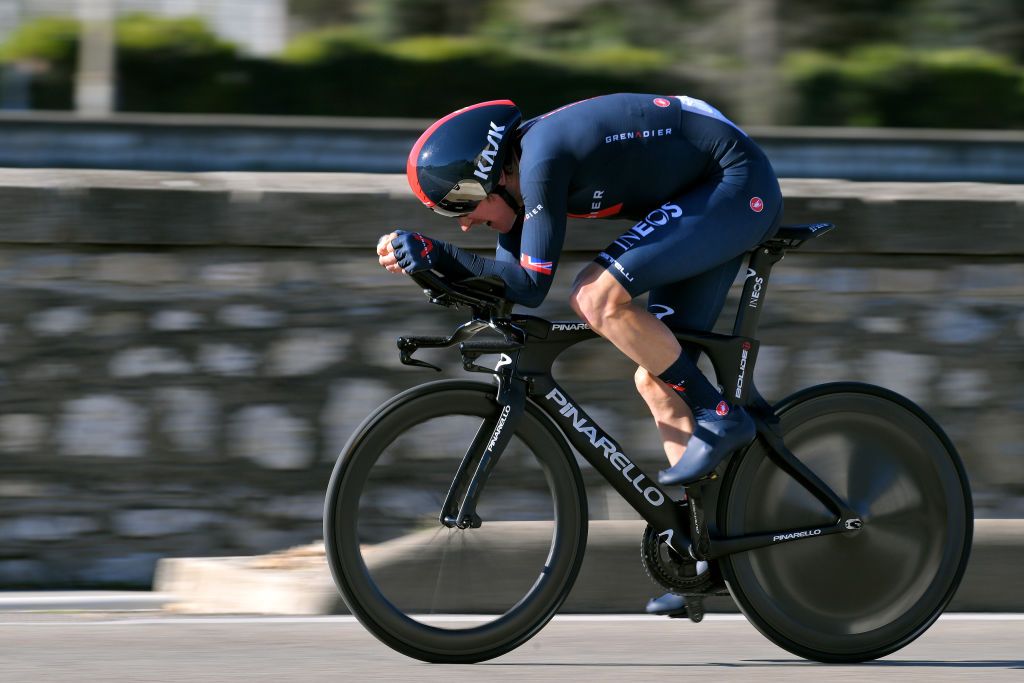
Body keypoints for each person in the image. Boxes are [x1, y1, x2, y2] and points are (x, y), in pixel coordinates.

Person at [377, 94, 783, 618]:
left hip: (734, 185)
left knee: (595, 296)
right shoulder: (518, 186)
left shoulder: (542, 161)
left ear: (491, 174)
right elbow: (510, 293)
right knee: (656, 379)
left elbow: (531, 282)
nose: (461, 223)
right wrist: (430, 269)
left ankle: (719, 413)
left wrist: (435, 250)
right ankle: (704, 558)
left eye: (459, 204)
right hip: (701, 194)